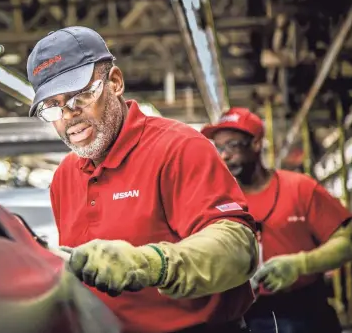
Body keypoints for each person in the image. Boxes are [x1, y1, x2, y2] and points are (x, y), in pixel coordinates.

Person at [26, 26, 259, 333]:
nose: (68, 115)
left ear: (115, 82)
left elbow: (237, 248)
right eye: (53, 106)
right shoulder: (64, 177)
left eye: (80, 96)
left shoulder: (178, 147)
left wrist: (149, 263)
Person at [201, 107, 352, 333]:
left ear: (256, 144)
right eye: (219, 147)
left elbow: (346, 241)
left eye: (233, 145)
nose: (224, 155)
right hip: (243, 315)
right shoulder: (216, 200)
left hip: (304, 313)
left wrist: (300, 265)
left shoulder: (299, 188)